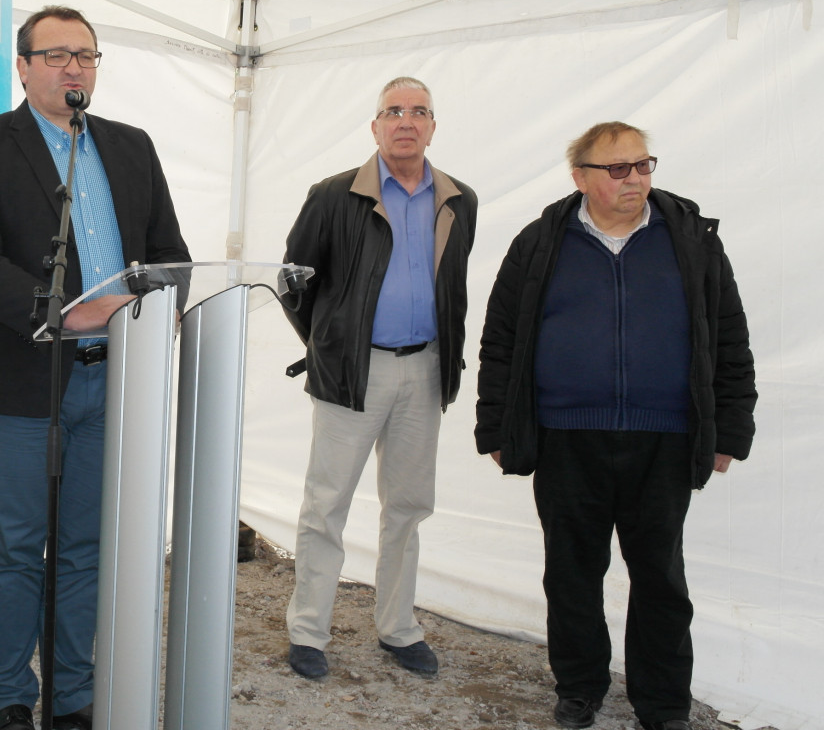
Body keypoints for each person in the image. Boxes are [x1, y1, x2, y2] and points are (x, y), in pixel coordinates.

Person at [0, 6, 190, 730]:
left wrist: (163, 306)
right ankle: (11, 697)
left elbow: (170, 251)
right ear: (22, 66)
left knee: (85, 549)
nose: (73, 67)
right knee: (16, 550)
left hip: (117, 380)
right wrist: (69, 311)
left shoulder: (132, 146)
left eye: (86, 55)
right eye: (55, 55)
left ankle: (74, 696)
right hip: (23, 383)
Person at [474, 122, 756, 730]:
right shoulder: (540, 242)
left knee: (660, 577)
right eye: (619, 169)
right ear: (581, 178)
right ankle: (580, 688)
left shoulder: (691, 241)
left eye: (644, 165)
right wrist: (495, 427)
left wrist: (730, 431)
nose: (637, 179)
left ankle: (662, 704)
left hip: (665, 437)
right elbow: (500, 340)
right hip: (566, 436)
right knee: (572, 574)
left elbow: (727, 336)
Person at [281, 76, 477, 679]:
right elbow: (294, 280)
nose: (406, 121)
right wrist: (330, 343)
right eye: (393, 110)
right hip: (352, 372)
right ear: (375, 125)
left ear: (433, 126)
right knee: (327, 504)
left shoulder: (459, 200)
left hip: (425, 369)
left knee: (409, 506)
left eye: (419, 111)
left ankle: (398, 628)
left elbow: (454, 286)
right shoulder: (334, 195)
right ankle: (308, 631)